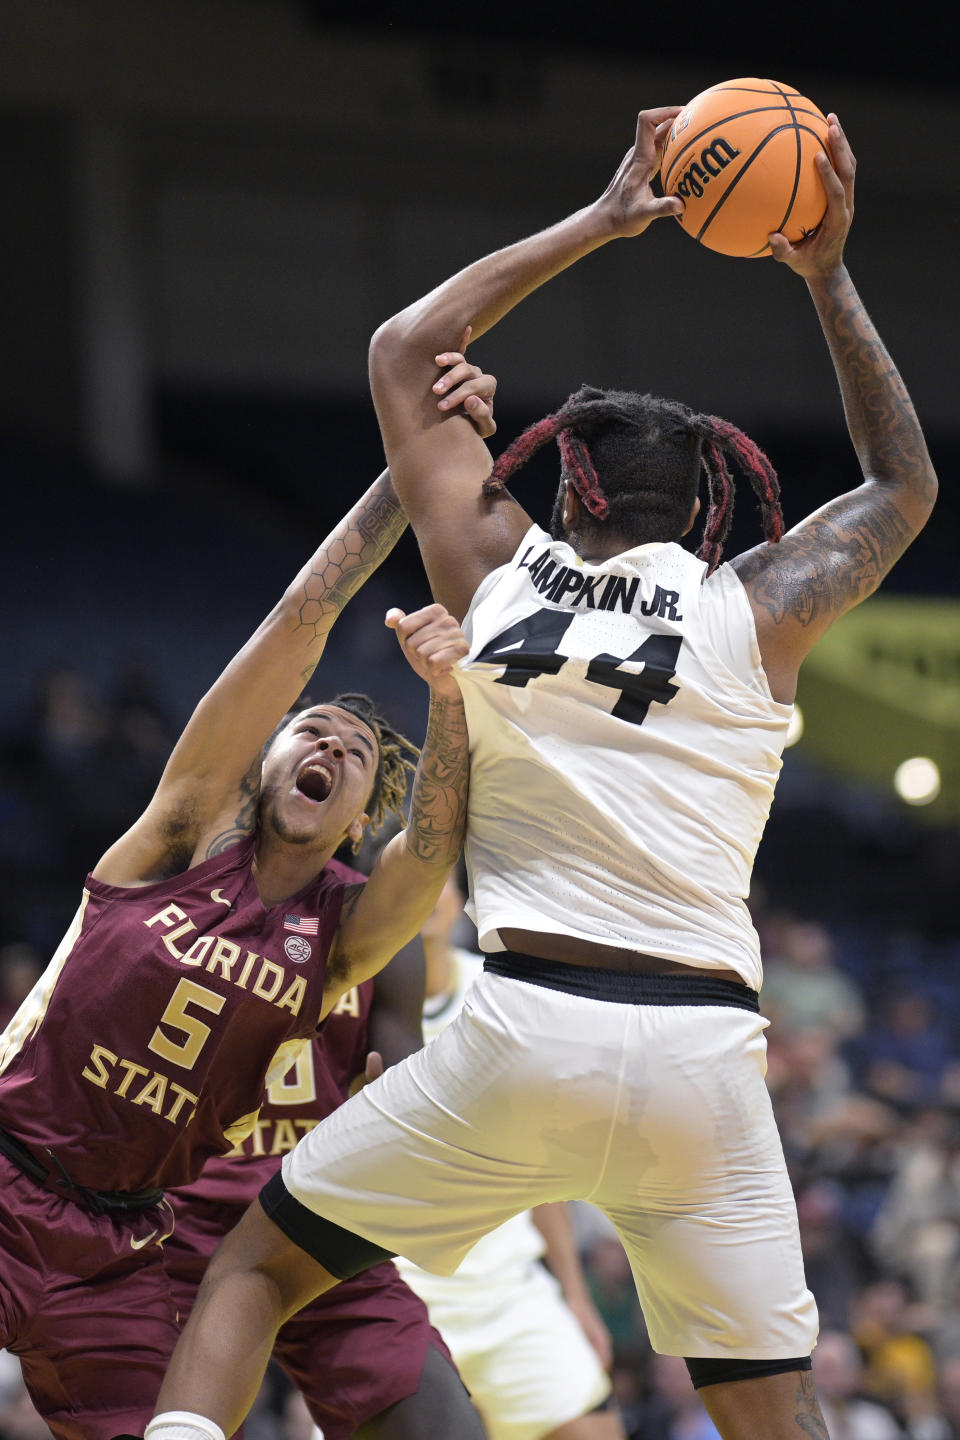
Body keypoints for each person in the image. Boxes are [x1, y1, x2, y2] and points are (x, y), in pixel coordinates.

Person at [151, 107, 937, 1440]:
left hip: (522, 1033)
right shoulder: (764, 604)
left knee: (254, 1272)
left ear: (561, 489)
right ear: (706, 512)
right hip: (706, 1062)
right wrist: (826, 269)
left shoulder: (499, 575)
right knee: (773, 1412)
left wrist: (612, 212)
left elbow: (404, 350)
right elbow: (902, 484)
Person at [0, 356, 497, 1440]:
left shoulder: (350, 937)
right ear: (262, 764)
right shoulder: (174, 841)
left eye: (359, 750)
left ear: (361, 813)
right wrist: (409, 469)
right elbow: (301, 615)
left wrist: (452, 697)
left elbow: (440, 838)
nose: (331, 740)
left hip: (120, 1249)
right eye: (312, 728)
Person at [165, 939, 486, 1440]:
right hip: (175, 1222)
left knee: (442, 1427)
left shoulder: (384, 916)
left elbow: (406, 1094)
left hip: (314, 1223)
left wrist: (401, 1109)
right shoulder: (177, 895)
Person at [394, 876, 626, 1440]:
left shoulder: (500, 996)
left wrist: (573, 1292)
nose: (426, 895)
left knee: (593, 1429)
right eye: (407, 880)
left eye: (439, 883)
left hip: (506, 1291)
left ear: (461, 900)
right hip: (394, 1295)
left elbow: (539, 1168)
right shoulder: (340, 1003)